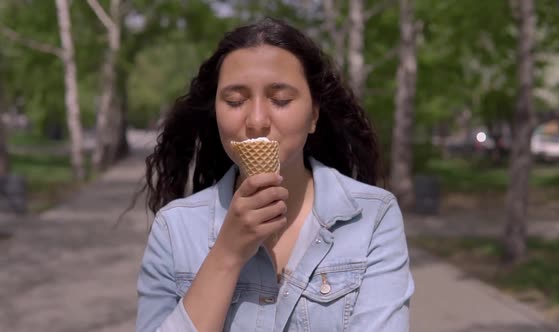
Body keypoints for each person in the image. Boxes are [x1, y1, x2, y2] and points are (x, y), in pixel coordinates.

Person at [136, 17, 414, 332]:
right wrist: (227, 253)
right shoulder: (175, 229)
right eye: (234, 101)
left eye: (280, 100)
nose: (256, 120)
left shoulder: (372, 216)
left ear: (314, 115)